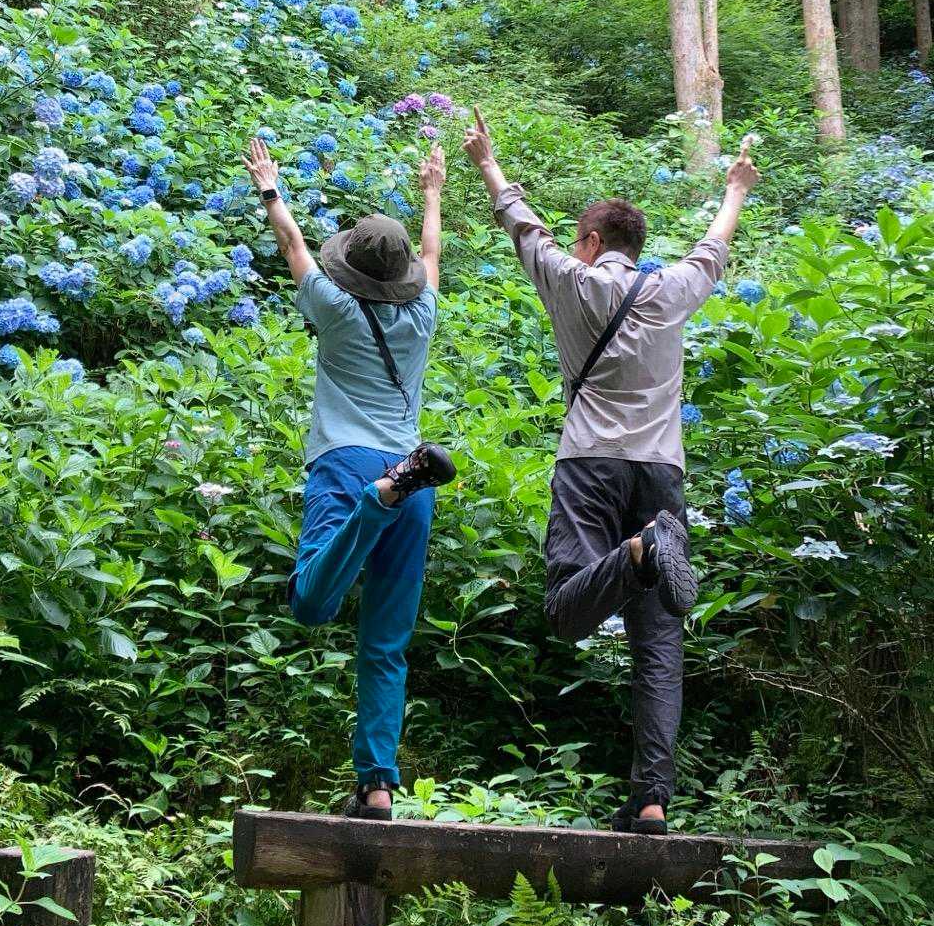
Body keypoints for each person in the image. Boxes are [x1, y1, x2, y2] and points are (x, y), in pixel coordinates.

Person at [463, 109, 760, 836]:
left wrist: (487, 163)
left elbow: (522, 227)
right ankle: (652, 800)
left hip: (590, 465)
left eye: (578, 239)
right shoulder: (671, 290)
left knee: (566, 612)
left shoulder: (571, 281)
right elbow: (713, 250)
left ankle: (635, 555)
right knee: (659, 645)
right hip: (660, 475)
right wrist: (736, 188)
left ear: (593, 243)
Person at [243, 135, 456, 822]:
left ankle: (377, 501)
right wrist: (433, 192)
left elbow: (292, 245)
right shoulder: (423, 314)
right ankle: (377, 786)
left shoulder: (333, 308)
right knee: (386, 645)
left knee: (310, 603)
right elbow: (432, 255)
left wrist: (271, 189)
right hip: (413, 475)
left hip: (349, 467)